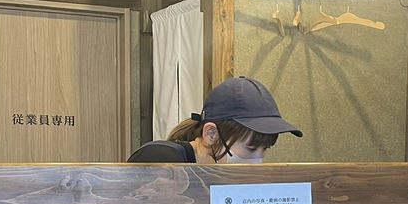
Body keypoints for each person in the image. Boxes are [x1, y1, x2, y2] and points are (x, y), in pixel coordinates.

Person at [127, 76, 302, 163]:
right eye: (251, 148)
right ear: (211, 133)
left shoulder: (224, 175)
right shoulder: (160, 158)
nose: (258, 159)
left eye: (265, 149)